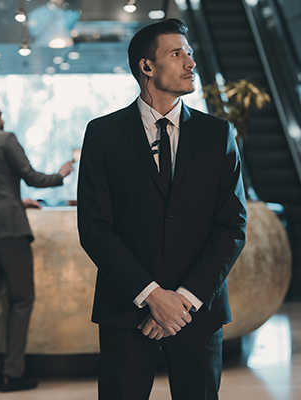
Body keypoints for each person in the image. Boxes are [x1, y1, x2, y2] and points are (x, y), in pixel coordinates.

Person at [77, 19, 247, 400]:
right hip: (127, 310)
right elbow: (95, 227)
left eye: (189, 53)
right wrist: (153, 296)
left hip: (198, 312)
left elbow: (232, 226)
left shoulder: (217, 134)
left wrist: (181, 300)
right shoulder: (102, 134)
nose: (190, 62)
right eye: (177, 53)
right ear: (147, 67)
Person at [0, 99, 74, 392]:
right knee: (20, 300)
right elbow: (32, 176)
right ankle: (13, 373)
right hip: (9, 230)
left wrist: (13, 198)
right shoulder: (6, 139)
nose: (3, 118)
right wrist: (61, 175)